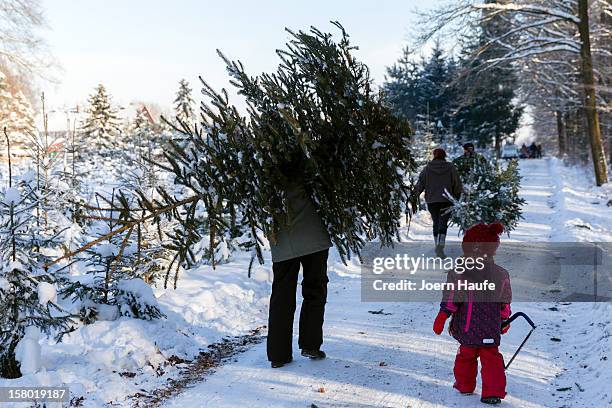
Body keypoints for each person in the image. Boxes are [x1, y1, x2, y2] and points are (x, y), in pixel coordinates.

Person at [433, 222, 512, 405]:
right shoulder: (501, 274)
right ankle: (492, 392)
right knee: (491, 358)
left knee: (465, 356)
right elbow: (505, 301)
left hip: (467, 327)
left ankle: (464, 385)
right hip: (490, 329)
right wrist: (504, 319)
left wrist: (443, 315)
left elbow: (452, 297)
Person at [267, 154, 332, 369]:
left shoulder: (261, 166)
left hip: (282, 239)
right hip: (314, 236)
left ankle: (279, 354)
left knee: (282, 295)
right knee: (315, 289)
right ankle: (311, 344)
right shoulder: (308, 156)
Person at [415, 148, 463, 257]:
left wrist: (414, 195)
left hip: (432, 200)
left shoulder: (427, 168)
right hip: (447, 199)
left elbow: (420, 183)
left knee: (436, 221)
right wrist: (456, 196)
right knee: (443, 222)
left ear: (434, 155)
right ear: (444, 155)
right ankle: (441, 244)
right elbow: (457, 183)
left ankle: (437, 243)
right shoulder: (451, 167)